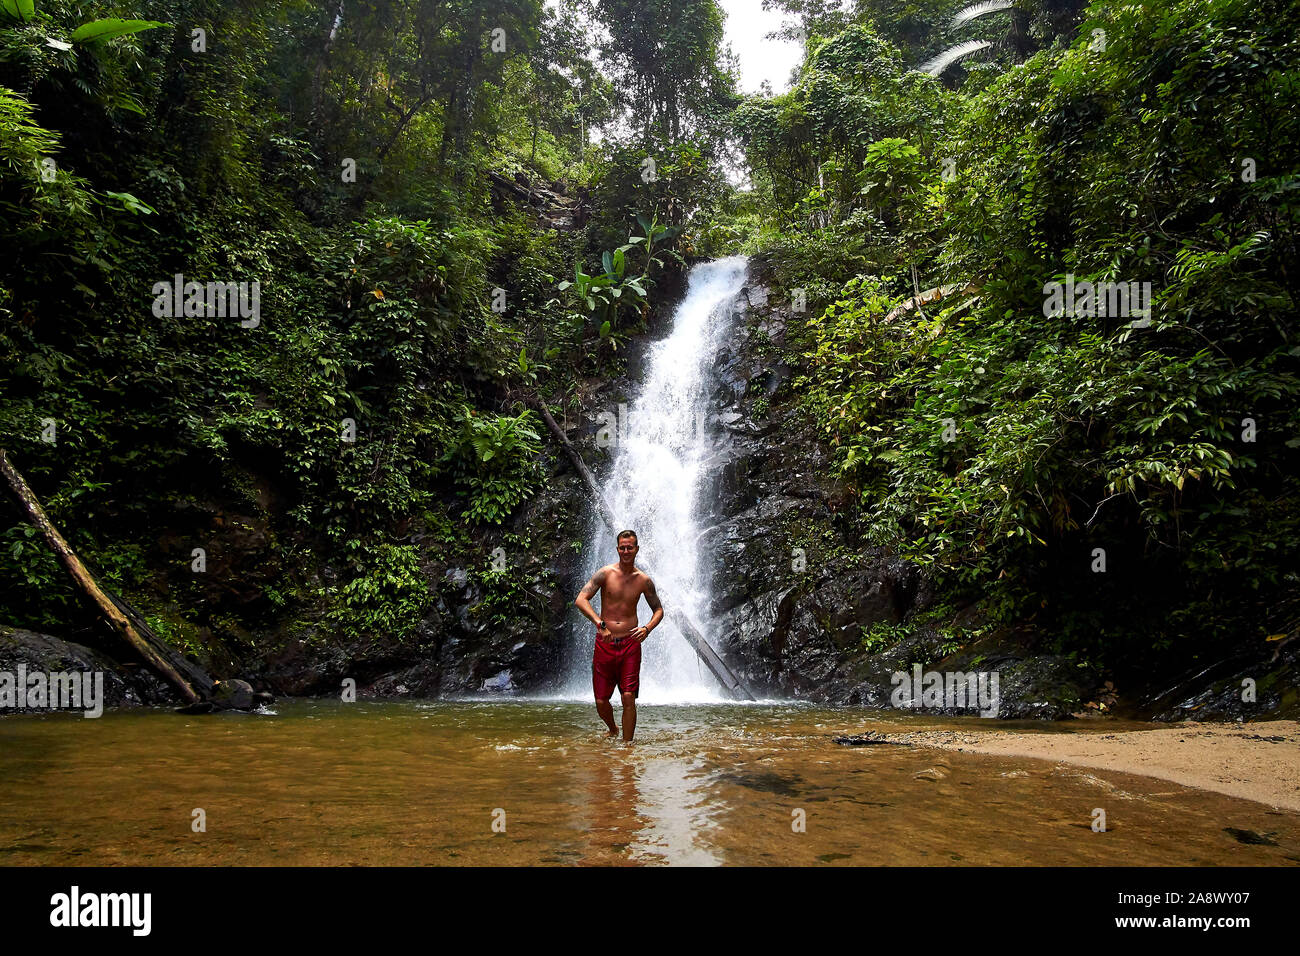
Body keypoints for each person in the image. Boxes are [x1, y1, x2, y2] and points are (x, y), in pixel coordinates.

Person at [573, 529, 663, 741]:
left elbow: (658, 609)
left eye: (629, 547)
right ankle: (613, 728)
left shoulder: (643, 580)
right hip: (605, 642)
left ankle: (627, 746)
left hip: (631, 643)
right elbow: (581, 599)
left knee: (628, 696)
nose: (625, 551)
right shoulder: (605, 573)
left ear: (637, 549)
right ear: (617, 549)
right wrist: (599, 623)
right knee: (601, 701)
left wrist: (647, 629)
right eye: (622, 547)